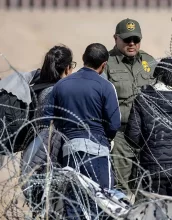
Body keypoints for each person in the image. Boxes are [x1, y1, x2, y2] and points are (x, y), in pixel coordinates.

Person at [44, 43, 121, 219]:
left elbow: (47, 119)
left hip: (69, 151)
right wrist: (105, 138)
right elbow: (114, 124)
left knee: (74, 205)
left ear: (84, 58)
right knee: (103, 203)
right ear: (103, 65)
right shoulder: (106, 87)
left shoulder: (61, 85)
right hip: (98, 152)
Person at [125, 57, 172, 197]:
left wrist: (148, 148)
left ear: (157, 74)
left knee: (155, 212)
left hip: (151, 168)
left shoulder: (142, 99)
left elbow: (132, 135)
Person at [17, 45, 75, 218]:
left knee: (41, 208)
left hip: (32, 151)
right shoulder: (55, 92)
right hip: (49, 154)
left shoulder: (36, 87)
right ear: (67, 68)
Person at [105, 18, 156, 195]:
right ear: (116, 38)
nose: (132, 44)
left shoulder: (149, 63)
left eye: (136, 39)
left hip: (146, 136)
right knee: (121, 188)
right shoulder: (107, 64)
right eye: (127, 40)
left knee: (146, 188)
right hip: (120, 136)